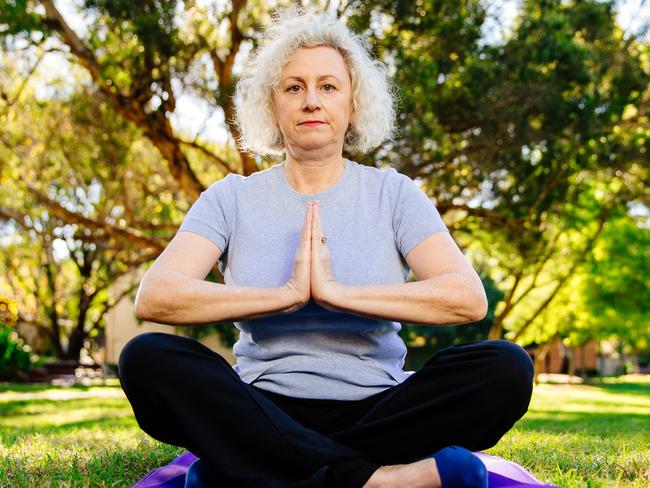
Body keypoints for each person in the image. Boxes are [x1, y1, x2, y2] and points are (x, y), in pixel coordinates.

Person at [118, 7, 534, 488]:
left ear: (352, 103)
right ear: (272, 105)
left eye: (328, 86)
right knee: (147, 358)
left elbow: (467, 297)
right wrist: (287, 295)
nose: (311, 100)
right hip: (263, 405)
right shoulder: (231, 197)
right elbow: (156, 296)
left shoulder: (393, 193)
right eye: (294, 87)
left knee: (505, 368)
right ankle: (377, 481)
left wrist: (338, 294)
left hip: (379, 409)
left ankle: (265, 470)